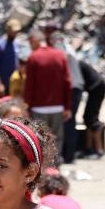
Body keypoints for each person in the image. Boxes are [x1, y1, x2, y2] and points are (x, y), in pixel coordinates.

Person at [23, 29, 71, 158]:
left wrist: (27, 105)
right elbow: (67, 82)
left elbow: (29, 85)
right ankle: (55, 169)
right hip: (58, 107)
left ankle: (42, 169)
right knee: (56, 139)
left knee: (40, 140)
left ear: (34, 40)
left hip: (39, 107)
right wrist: (67, 106)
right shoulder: (60, 55)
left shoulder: (33, 57)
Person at [48, 30, 84, 164]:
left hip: (71, 88)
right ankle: (69, 153)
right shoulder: (66, 48)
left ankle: (68, 154)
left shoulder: (62, 50)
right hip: (74, 87)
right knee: (69, 121)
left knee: (67, 121)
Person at [78, 59, 105, 159]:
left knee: (92, 118)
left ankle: (99, 150)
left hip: (96, 87)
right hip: (96, 87)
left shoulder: (76, 65)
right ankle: (88, 148)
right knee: (87, 117)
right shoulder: (78, 63)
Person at [0, 19, 21, 98]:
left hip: (15, 82)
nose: (15, 33)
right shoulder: (0, 45)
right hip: (4, 84)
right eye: (13, 31)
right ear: (8, 30)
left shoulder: (16, 43)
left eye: (17, 31)